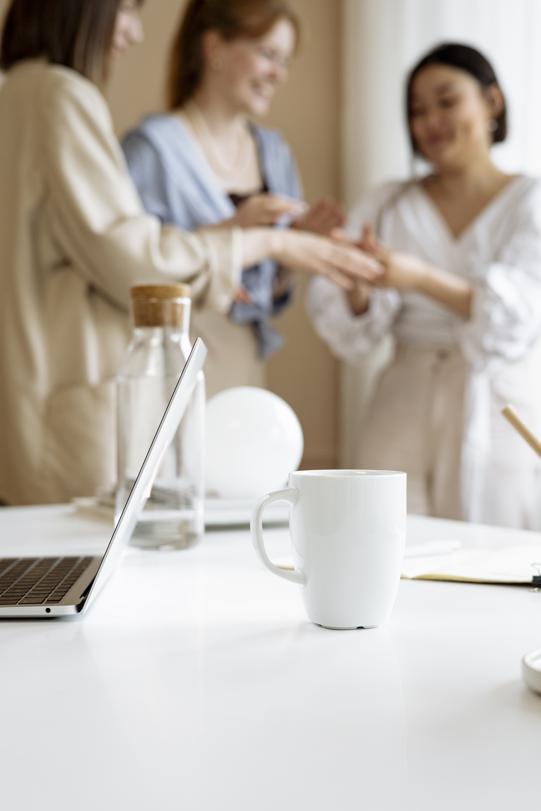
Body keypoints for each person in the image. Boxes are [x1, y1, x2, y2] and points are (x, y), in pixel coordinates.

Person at [0, 0, 380, 506]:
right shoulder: (66, 99)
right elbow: (131, 258)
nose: (135, 32)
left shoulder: (19, 92)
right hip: (103, 395)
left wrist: (277, 255)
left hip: (60, 394)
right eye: (128, 10)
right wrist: (261, 240)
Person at [308, 42, 541, 529]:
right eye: (417, 110)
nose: (431, 120)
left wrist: (417, 278)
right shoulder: (388, 202)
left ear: (491, 102)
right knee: (387, 543)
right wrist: (359, 286)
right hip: (402, 404)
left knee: (497, 558)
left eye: (447, 101)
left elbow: (522, 315)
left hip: (496, 406)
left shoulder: (529, 201)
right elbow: (353, 332)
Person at [122, 0, 345, 394]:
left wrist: (294, 252)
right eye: (268, 54)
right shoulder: (151, 150)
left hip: (243, 362)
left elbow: (265, 294)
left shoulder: (274, 153)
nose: (278, 74)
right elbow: (126, 270)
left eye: (286, 61)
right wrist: (231, 231)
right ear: (214, 48)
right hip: (167, 367)